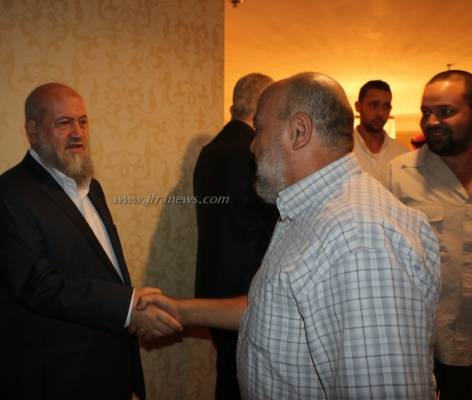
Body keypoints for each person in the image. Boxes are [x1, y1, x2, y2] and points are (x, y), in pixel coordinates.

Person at [137, 72, 441, 399]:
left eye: (259, 130)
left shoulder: (360, 240)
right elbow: (273, 307)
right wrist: (180, 310)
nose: (252, 145)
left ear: (299, 131)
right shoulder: (308, 210)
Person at [0, 83, 181, 399]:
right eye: (64, 123)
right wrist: (127, 306)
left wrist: (130, 310)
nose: (78, 133)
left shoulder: (92, 188)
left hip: (109, 369)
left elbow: (102, 271)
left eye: (83, 122)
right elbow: (37, 286)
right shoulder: (8, 196)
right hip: (55, 379)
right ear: (33, 131)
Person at [382, 70, 472, 400]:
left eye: (446, 111)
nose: (431, 121)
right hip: (428, 346)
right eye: (425, 112)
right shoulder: (399, 175)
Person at [192, 72, 278, 400]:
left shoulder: (209, 151)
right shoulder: (254, 151)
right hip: (246, 287)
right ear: (262, 105)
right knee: (245, 380)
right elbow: (272, 220)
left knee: (228, 372)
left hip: (213, 283)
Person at [353, 80, 407, 179]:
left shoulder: (401, 152)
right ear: (358, 106)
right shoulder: (342, 149)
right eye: (373, 105)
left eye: (386, 106)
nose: (380, 113)